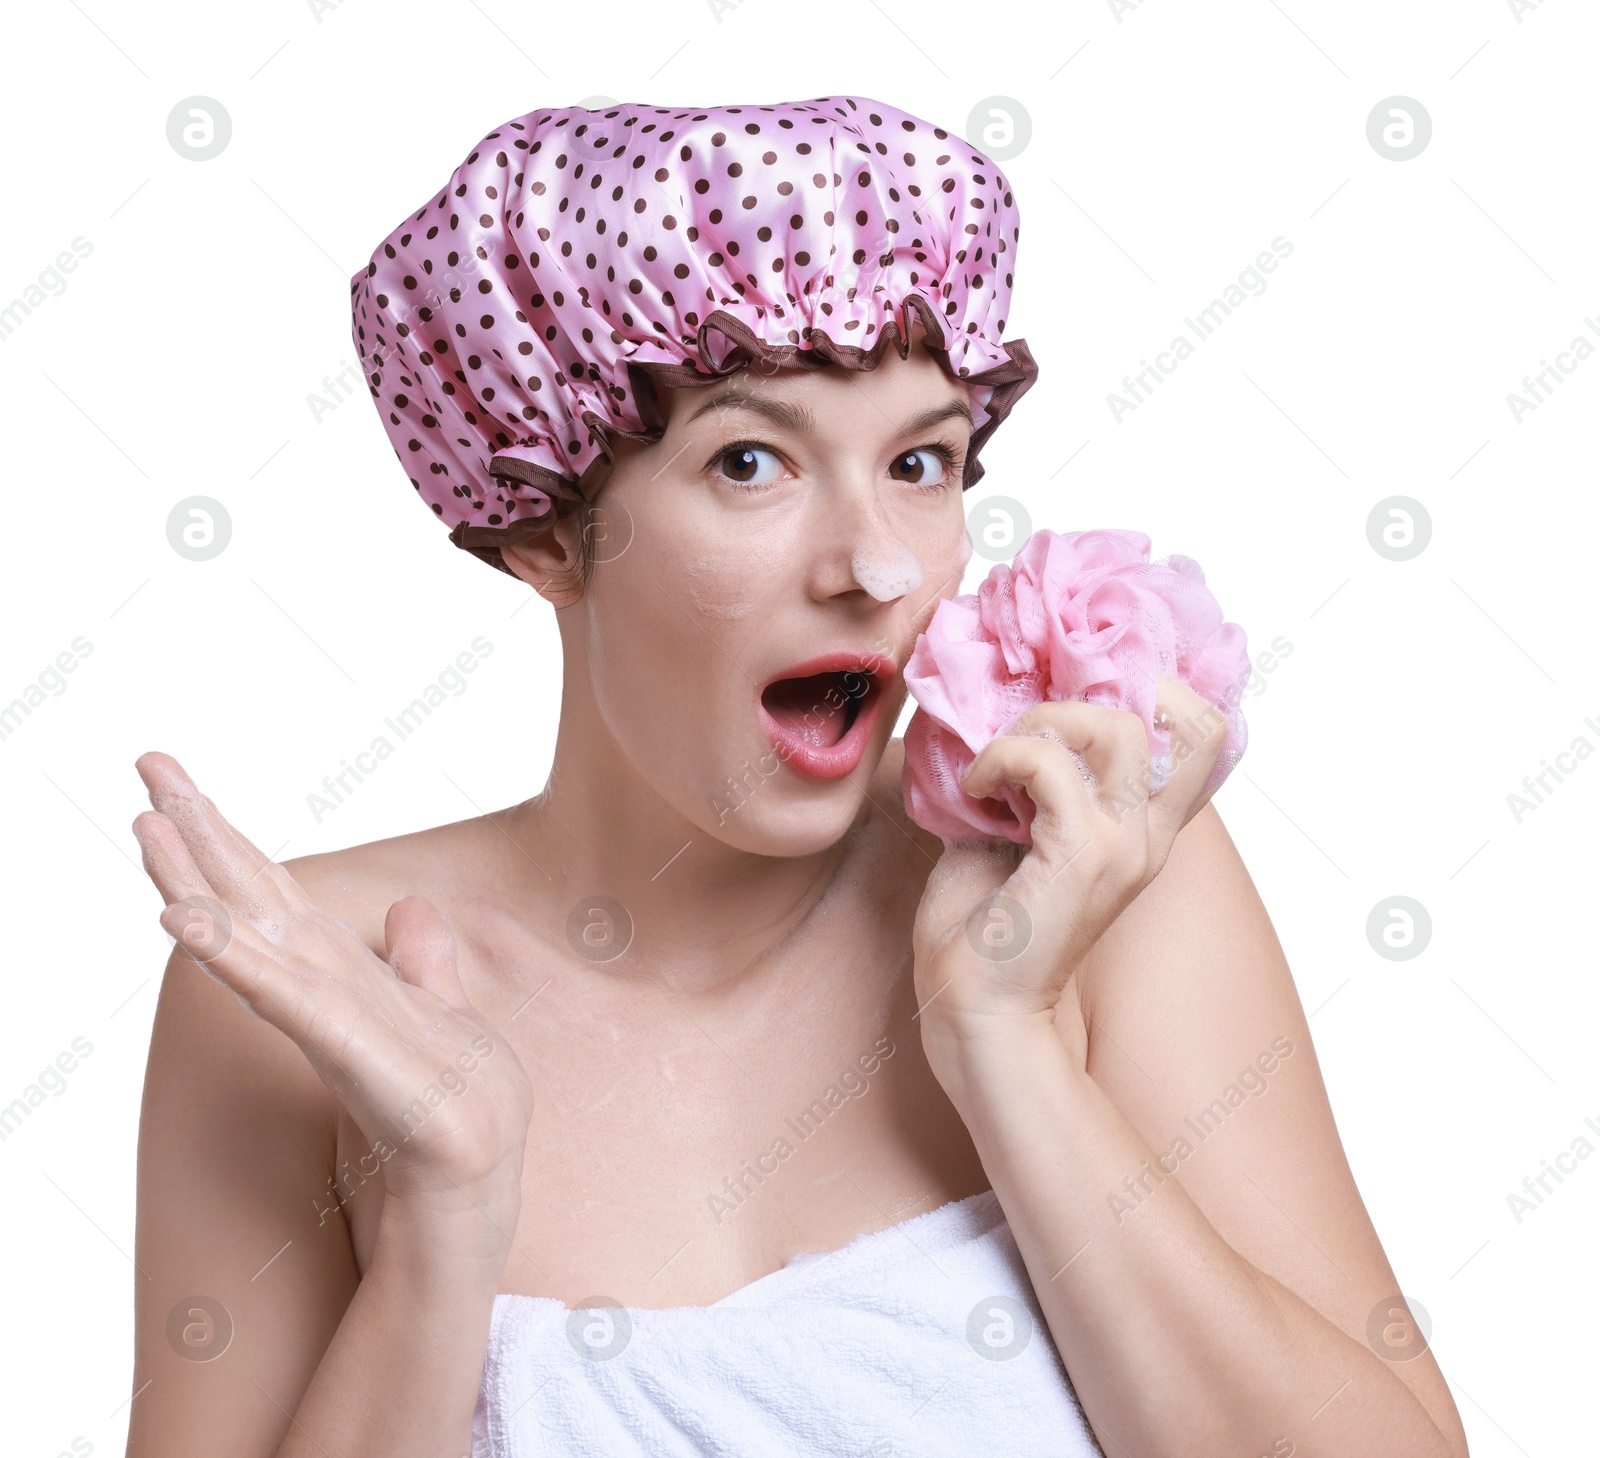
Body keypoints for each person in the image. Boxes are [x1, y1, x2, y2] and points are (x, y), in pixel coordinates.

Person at [125, 97, 1469, 1457]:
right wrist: (439, 1234)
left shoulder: (1090, 875)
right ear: (544, 529)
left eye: (921, 462)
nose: (878, 565)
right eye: (751, 462)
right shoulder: (311, 992)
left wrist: (1009, 1047)